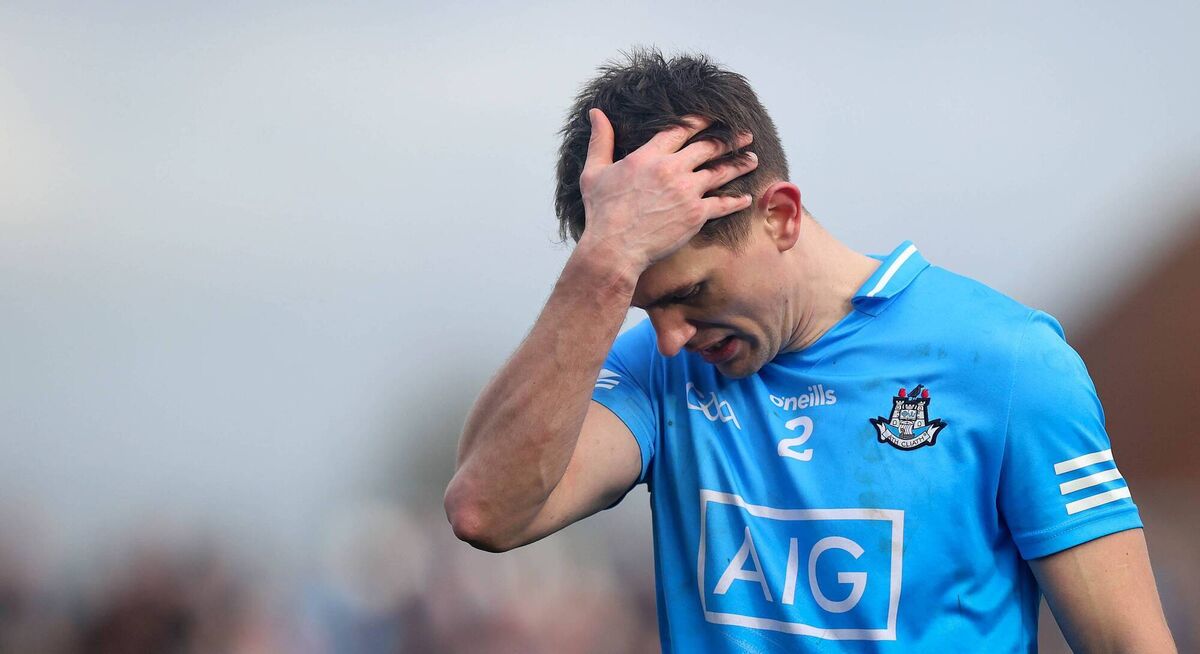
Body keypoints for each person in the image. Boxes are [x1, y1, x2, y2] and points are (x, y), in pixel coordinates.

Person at [444, 49, 1177, 652]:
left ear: (781, 216)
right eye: (642, 303)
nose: (669, 337)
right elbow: (487, 512)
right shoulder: (657, 373)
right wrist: (601, 266)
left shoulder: (1008, 364)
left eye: (690, 293)